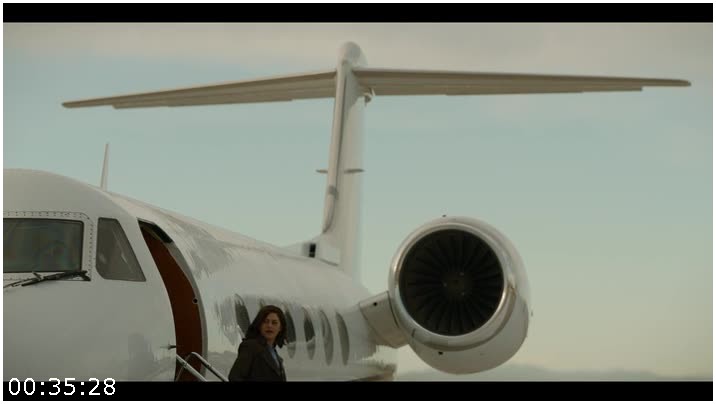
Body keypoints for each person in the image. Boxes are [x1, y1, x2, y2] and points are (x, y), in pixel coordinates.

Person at [228, 304, 288, 381]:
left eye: (274, 323)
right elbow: (235, 377)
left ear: (280, 328)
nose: (269, 326)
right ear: (259, 325)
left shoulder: (274, 354)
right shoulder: (250, 347)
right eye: (265, 322)